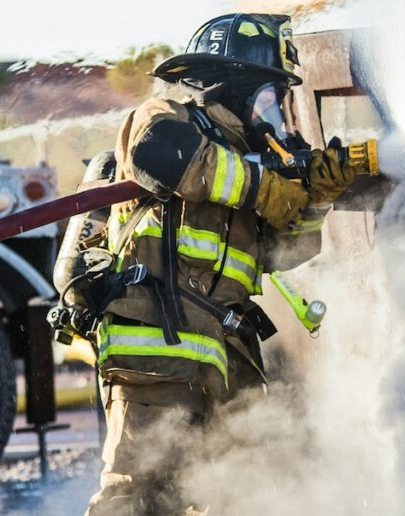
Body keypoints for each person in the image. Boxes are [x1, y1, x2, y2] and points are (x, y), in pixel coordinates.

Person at [84, 13, 378, 515]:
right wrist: (265, 187)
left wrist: (316, 199)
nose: (277, 115)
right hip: (155, 356)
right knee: (137, 499)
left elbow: (287, 252)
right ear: (234, 86)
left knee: (239, 497)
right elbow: (162, 155)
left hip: (223, 360)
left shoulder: (245, 164)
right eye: (270, 98)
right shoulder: (166, 120)